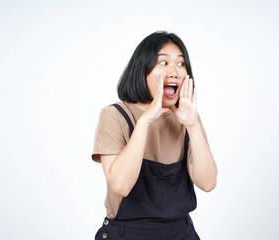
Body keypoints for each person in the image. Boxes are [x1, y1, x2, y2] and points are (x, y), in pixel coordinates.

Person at [92, 31, 217, 240]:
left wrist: (193, 126)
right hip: (128, 234)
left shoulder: (188, 118)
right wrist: (145, 121)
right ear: (142, 69)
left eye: (180, 63)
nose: (174, 71)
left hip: (180, 233)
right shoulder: (115, 116)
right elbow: (121, 186)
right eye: (163, 62)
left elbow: (208, 183)